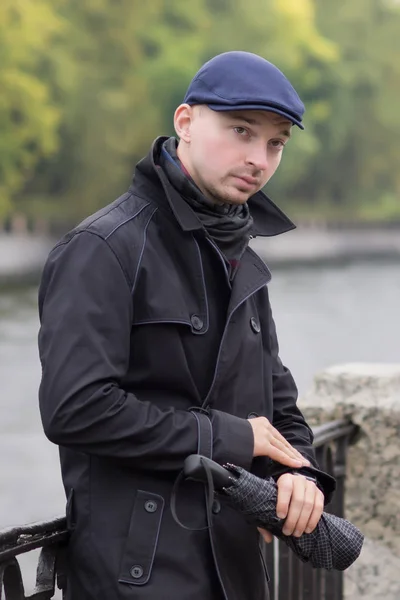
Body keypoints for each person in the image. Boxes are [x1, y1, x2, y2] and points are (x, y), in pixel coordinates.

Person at [38, 51, 335, 600]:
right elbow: (75, 408)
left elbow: (276, 398)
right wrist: (229, 436)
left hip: (238, 565)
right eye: (240, 131)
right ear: (186, 122)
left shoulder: (239, 253)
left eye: (274, 144)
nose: (258, 159)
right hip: (139, 575)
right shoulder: (102, 248)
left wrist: (301, 475)